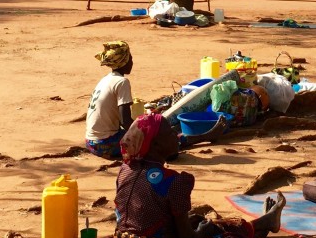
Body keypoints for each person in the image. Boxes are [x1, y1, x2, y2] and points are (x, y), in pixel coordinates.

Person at [112, 113, 286, 238]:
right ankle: (260, 226)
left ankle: (261, 224)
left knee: (200, 222)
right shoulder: (174, 182)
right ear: (156, 145)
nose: (176, 134)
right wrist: (204, 231)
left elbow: (148, 213)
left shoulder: (126, 169)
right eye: (170, 133)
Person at [85, 41, 225, 159]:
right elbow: (126, 122)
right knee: (162, 141)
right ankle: (206, 136)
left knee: (158, 130)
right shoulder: (122, 82)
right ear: (124, 61)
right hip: (105, 144)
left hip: (91, 142)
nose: (132, 62)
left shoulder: (105, 80)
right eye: (130, 58)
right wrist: (150, 132)